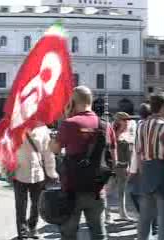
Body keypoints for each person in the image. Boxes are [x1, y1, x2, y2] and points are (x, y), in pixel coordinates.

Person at [50, 86, 117, 240]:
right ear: (91, 101)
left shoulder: (69, 124)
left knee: (69, 234)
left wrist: (65, 118)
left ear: (73, 102)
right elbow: (113, 158)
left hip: (72, 189)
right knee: (99, 234)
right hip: (97, 190)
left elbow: (54, 149)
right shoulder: (106, 126)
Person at [137, 94, 164, 240]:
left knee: (145, 218)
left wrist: (144, 173)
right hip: (163, 172)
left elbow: (138, 152)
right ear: (163, 107)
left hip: (147, 172)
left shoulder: (141, 125)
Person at [13, 123, 59, 240]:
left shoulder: (43, 129)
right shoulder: (16, 125)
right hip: (19, 172)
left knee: (36, 204)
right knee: (20, 205)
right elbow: (8, 149)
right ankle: (22, 232)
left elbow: (48, 153)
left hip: (37, 173)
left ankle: (32, 227)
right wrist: (6, 168)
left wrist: (51, 172)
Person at [129, 103, 158, 236]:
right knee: (152, 195)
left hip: (143, 166)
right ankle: (153, 222)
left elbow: (136, 150)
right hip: (155, 166)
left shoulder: (141, 127)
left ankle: (148, 219)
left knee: (136, 193)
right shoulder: (157, 125)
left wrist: (133, 169)